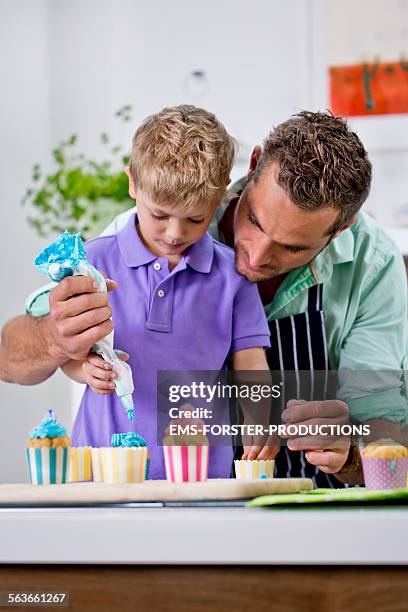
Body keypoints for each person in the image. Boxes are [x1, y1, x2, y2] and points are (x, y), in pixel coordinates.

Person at [2, 111, 407, 485]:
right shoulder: (141, 232)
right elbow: (10, 359)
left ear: (341, 229)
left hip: (298, 497)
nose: (255, 256)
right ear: (251, 168)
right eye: (255, 221)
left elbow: (386, 425)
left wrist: (351, 451)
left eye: (293, 248)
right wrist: (60, 341)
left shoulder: (372, 267)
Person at [54, 105, 275, 479]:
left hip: (201, 475)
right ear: (132, 184)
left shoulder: (232, 276)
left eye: (194, 219)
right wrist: (82, 369)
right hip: (101, 471)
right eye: (159, 215)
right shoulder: (92, 261)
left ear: (219, 198)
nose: (175, 233)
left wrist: (259, 420)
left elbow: (251, 363)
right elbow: (66, 351)